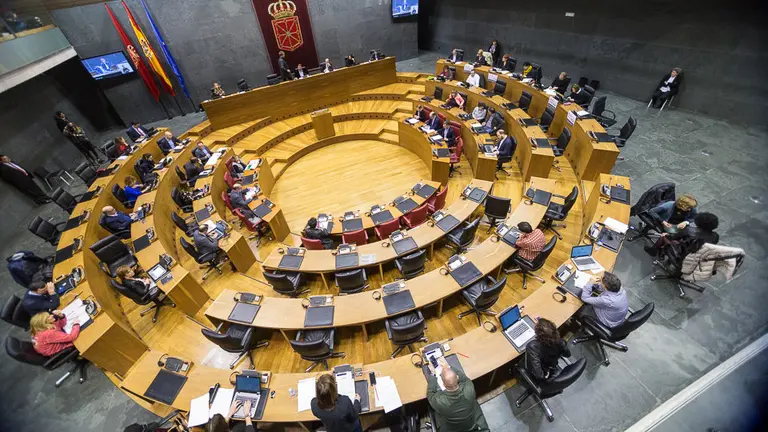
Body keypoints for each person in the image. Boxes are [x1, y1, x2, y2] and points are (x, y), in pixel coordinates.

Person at [427, 356, 489, 432]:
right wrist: (449, 367)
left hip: (451, 428)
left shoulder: (440, 401)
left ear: (443, 385)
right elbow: (465, 379)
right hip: (470, 424)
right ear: (457, 378)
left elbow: (430, 394)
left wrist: (433, 374)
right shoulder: (469, 390)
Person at [653, 212, 720, 259]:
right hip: (697, 259)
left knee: (664, 236)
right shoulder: (715, 236)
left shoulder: (689, 230)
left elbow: (672, 237)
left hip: (682, 255)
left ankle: (653, 250)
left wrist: (666, 234)